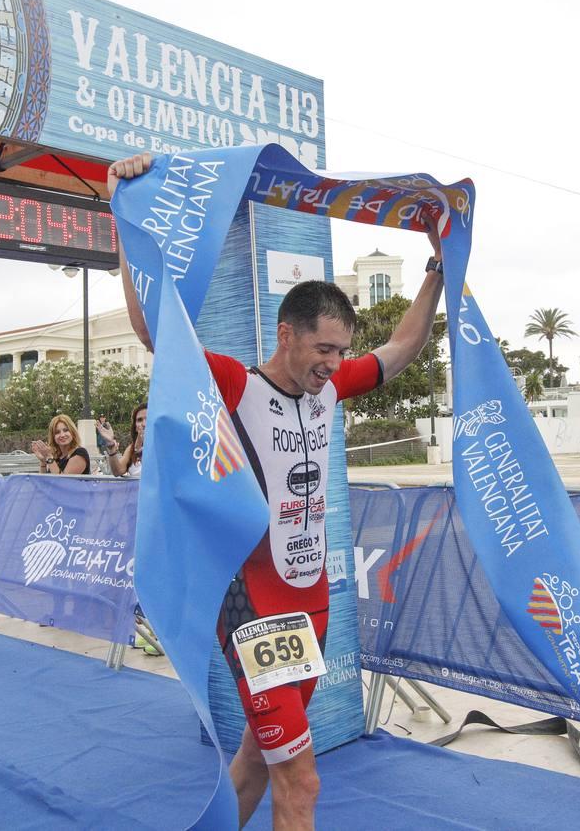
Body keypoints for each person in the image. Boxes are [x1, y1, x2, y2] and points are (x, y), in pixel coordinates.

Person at [110, 152, 443, 830]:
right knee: (303, 778)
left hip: (312, 604)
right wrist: (122, 217)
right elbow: (153, 331)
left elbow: (401, 350)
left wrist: (437, 272)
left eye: (341, 351)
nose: (333, 363)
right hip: (253, 606)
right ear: (286, 334)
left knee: (261, 760)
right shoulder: (235, 384)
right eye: (323, 348)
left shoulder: (334, 388)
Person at [97, 403, 146, 477]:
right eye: (139, 420)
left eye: (148, 418)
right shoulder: (131, 449)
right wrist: (111, 446)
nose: (144, 423)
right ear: (135, 426)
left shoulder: (165, 446)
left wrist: (139, 450)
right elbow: (117, 471)